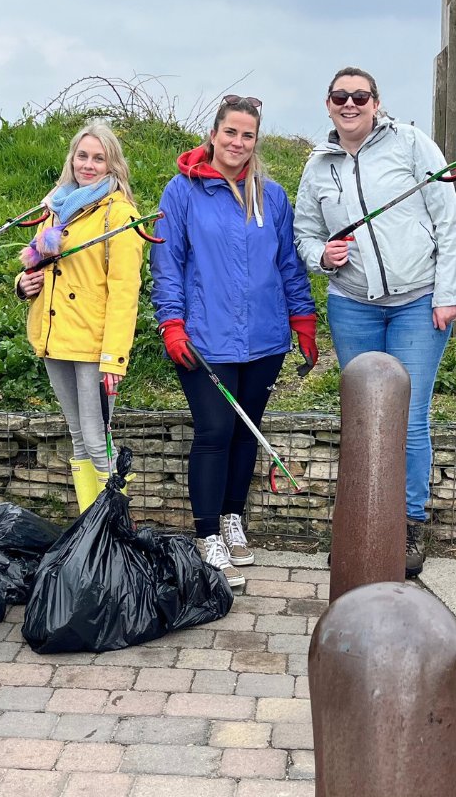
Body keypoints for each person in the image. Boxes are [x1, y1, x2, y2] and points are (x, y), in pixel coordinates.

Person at [293, 67, 456, 578]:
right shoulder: (318, 167)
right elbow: (304, 234)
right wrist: (322, 255)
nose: (350, 104)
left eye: (360, 96)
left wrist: (449, 293)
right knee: (363, 416)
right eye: (340, 97)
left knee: (407, 416)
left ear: (376, 102)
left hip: (418, 300)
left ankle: (405, 526)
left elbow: (448, 220)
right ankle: (361, 523)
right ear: (328, 104)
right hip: (353, 303)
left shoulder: (412, 145)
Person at [150, 95, 318, 589]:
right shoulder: (181, 192)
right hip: (205, 338)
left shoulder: (273, 196)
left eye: (247, 135)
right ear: (214, 133)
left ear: (256, 140)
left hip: (265, 337)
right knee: (215, 432)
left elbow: (287, 262)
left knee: (247, 432)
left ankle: (232, 518)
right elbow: (167, 263)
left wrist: (303, 318)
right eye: (230, 133)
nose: (237, 143)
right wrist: (171, 323)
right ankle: (207, 536)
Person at [16, 121, 144, 512]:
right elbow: (39, 268)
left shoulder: (118, 215)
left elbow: (125, 291)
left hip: (94, 343)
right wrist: (23, 285)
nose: (88, 164)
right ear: (72, 158)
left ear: (112, 165)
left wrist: (114, 358)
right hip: (56, 335)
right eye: (82, 155)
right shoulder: (55, 207)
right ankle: (91, 525)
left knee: (96, 437)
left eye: (98, 158)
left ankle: (115, 529)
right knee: (76, 434)